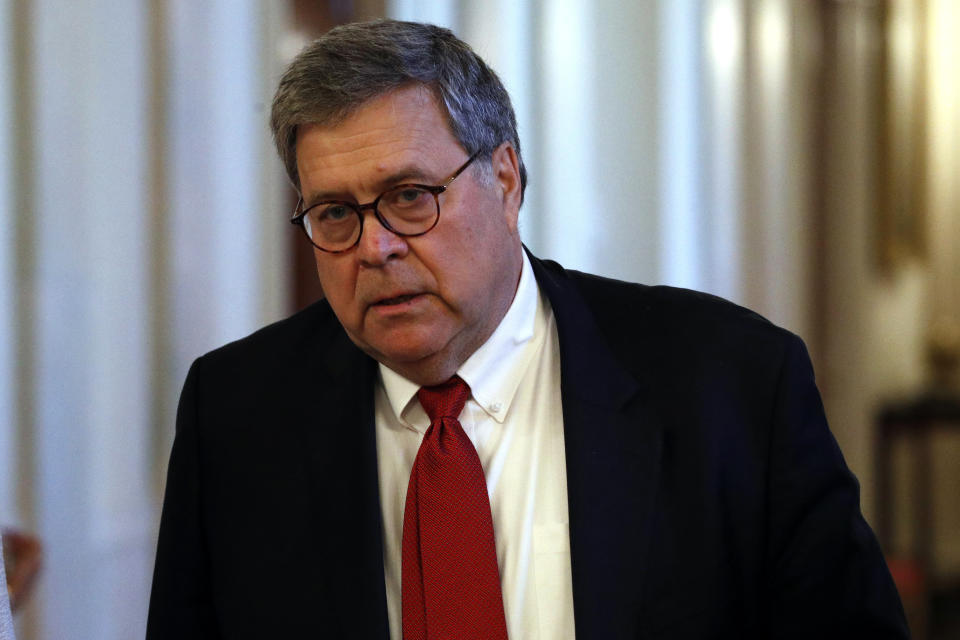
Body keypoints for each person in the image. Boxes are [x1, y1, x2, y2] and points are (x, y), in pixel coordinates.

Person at [147, 19, 909, 639]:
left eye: (410, 196)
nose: (374, 247)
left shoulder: (732, 381)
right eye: (335, 214)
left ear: (505, 179)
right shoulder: (238, 411)